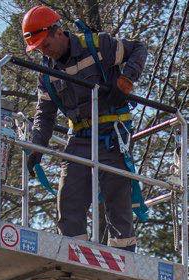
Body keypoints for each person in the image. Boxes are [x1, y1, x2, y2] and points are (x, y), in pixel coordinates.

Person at [21, 5, 147, 249]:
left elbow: (138, 49)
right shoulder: (47, 74)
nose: (44, 53)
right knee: (68, 198)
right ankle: (75, 255)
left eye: (45, 45)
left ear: (57, 32)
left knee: (117, 200)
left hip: (112, 135)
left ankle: (123, 258)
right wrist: (36, 148)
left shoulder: (98, 46)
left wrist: (125, 80)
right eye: (38, 49)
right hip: (79, 138)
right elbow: (44, 116)